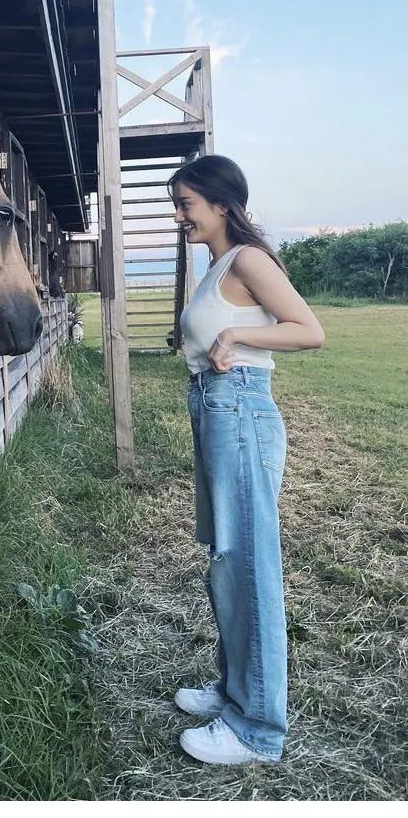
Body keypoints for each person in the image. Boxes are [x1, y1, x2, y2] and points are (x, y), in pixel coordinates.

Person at [169, 154, 324, 766]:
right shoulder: (217, 265)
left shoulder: (249, 260)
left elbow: (309, 329)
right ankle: (235, 693)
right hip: (214, 410)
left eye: (186, 204)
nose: (179, 215)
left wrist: (238, 337)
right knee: (226, 558)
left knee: (249, 564)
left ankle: (258, 729)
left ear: (221, 206)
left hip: (240, 410)